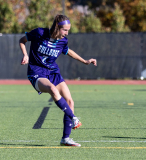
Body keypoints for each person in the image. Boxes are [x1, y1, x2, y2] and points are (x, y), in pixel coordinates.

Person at [19, 14, 97, 147]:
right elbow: (22, 40)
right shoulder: (39, 33)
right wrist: (25, 55)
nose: (66, 33)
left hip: (53, 72)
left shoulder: (63, 41)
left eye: (68, 30)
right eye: (65, 30)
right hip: (36, 72)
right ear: (57, 27)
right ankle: (73, 117)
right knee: (53, 90)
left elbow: (68, 51)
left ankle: (65, 139)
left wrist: (85, 61)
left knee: (70, 101)